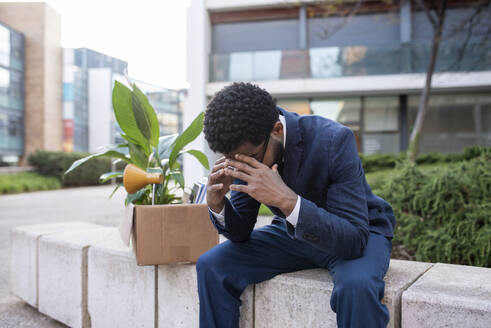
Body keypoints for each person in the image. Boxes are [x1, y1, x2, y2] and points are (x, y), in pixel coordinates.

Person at [197, 82, 396, 328]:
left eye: (247, 159)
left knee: (357, 287)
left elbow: (352, 240)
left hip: (359, 231)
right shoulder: (245, 148)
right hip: (294, 234)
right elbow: (240, 233)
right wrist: (218, 204)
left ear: (277, 130)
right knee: (211, 265)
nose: (240, 166)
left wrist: (286, 201)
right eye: (230, 159)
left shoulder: (333, 139)